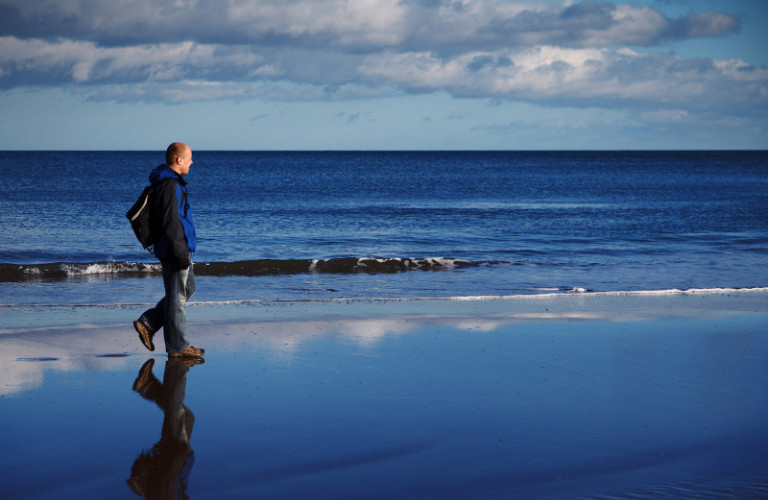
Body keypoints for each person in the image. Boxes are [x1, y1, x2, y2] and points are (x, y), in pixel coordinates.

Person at [133, 143, 204, 359]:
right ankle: (178, 347)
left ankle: (148, 323)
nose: (192, 162)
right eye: (189, 158)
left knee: (187, 288)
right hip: (175, 249)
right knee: (176, 300)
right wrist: (180, 252)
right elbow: (171, 222)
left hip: (179, 247)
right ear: (178, 160)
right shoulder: (169, 185)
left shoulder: (172, 183)